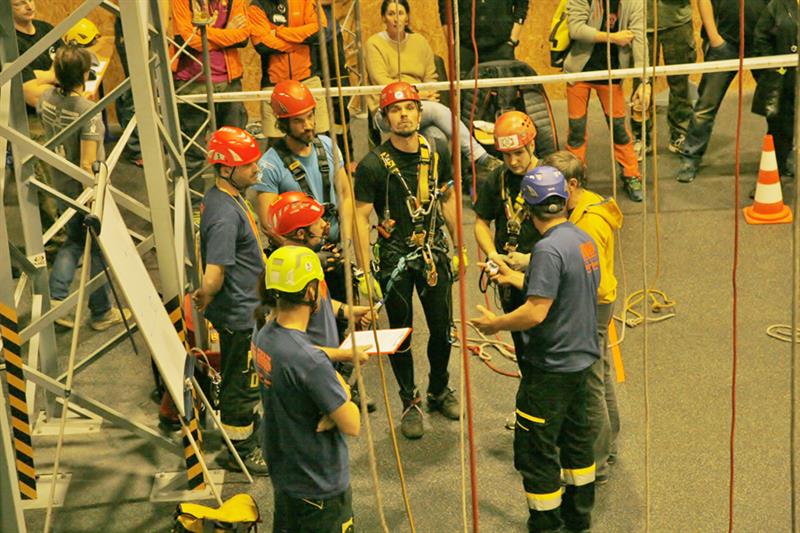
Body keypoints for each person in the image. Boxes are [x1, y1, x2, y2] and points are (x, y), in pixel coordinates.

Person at [470, 165, 600, 533]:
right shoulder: (582, 239)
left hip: (550, 368)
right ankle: (578, 518)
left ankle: (545, 524)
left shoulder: (546, 249)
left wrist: (495, 324)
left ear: (528, 209)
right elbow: (565, 285)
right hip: (581, 362)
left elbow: (535, 312)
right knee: (576, 441)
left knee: (536, 449)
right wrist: (514, 277)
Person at [354, 81, 461, 439]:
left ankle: (438, 389)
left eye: (410, 108)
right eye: (396, 110)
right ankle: (409, 401)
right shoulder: (372, 165)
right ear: (385, 118)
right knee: (400, 334)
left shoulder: (437, 151)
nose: (404, 115)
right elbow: (360, 218)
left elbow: (447, 199)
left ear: (419, 112)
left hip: (433, 252)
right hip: (394, 259)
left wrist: (458, 247)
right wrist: (363, 270)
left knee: (443, 329)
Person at [253, 245, 360, 532]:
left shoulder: (264, 336)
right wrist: (343, 391)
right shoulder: (310, 362)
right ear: (312, 292)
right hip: (319, 485)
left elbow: (298, 363)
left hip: (287, 472)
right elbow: (352, 423)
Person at [38, 44, 131, 331]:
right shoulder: (88, 113)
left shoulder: (45, 98)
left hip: (60, 183)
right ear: (86, 75)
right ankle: (100, 312)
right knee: (95, 248)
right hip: (83, 191)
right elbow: (87, 163)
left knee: (76, 241)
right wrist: (94, 201)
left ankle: (59, 300)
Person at [192, 127, 268, 475]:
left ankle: (247, 430)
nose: (256, 169)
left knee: (246, 378)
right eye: (248, 164)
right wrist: (205, 295)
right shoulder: (224, 215)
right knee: (242, 383)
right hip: (240, 314)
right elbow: (214, 274)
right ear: (226, 169)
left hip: (247, 307)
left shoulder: (226, 197)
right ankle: (240, 449)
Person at [544, 150, 622, 484]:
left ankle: (597, 463)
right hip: (599, 304)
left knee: (590, 386)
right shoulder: (585, 206)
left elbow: (594, 280)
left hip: (592, 307)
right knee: (600, 376)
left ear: (572, 184)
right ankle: (609, 445)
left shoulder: (588, 222)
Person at [365, 0, 502, 178]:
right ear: (384, 18)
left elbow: (431, 76)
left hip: (420, 105)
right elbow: (383, 81)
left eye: (400, 13)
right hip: (387, 109)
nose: (396, 19)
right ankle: (479, 156)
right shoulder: (374, 44)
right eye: (391, 14)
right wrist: (417, 95)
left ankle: (435, 181)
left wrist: (425, 95)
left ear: (407, 18)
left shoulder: (419, 42)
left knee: (437, 137)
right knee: (438, 112)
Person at [266, 191, 376, 410]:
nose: (325, 225)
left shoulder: (303, 266)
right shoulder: (292, 279)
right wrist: (347, 355)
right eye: (317, 222)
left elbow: (320, 303)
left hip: (321, 365)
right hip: (311, 373)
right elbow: (297, 351)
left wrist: (348, 311)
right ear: (301, 233)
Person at [254, 80, 353, 305]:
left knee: (343, 318)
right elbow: (269, 225)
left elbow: (346, 195)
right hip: (298, 264)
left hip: (334, 253)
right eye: (298, 121)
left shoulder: (327, 146)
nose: (308, 125)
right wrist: (307, 256)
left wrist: (346, 242)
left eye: (310, 117)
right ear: (283, 124)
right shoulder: (270, 165)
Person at [673, 0, 767, 183]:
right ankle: (690, 157)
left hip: (761, 43)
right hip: (724, 43)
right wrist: (715, 39)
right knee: (706, 106)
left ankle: (782, 155)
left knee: (776, 101)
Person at [473, 110, 542, 358]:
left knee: (546, 339)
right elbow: (481, 222)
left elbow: (570, 231)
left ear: (532, 145)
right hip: (507, 275)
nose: (512, 161)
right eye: (506, 155)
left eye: (518, 153)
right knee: (521, 344)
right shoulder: (498, 178)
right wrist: (493, 254)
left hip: (543, 272)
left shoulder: (550, 179)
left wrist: (532, 260)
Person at [564, 0, 646, 202]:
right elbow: (575, 29)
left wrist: (645, 81)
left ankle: (631, 175)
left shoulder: (635, 2)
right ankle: (574, 178)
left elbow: (639, 37)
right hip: (580, 72)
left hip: (612, 75)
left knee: (619, 128)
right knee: (576, 129)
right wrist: (613, 37)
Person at [171, 0, 249, 177]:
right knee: (191, 154)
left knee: (234, 151)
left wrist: (203, 31)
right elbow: (187, 39)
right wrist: (227, 32)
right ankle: (192, 195)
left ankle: (231, 194)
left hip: (229, 82)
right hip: (191, 83)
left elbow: (243, 36)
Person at [248, 0, 331, 141]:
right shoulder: (257, 6)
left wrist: (279, 32)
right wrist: (299, 42)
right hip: (273, 85)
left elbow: (320, 30)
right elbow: (262, 44)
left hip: (308, 80)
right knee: (277, 144)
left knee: (319, 140)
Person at [630, 0, 695, 160]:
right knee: (641, 84)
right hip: (641, 24)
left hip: (677, 23)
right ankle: (641, 136)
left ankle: (680, 133)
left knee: (680, 83)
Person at [751, 0, 796, 184]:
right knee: (779, 128)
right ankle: (773, 174)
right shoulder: (776, 6)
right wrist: (776, 69)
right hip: (783, 80)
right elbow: (761, 39)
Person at [438, 0, 529, 77]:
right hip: (465, 48)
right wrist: (453, 45)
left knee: (504, 91)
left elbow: (522, 6)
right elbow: (445, 11)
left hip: (501, 46)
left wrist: (512, 40)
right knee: (465, 91)